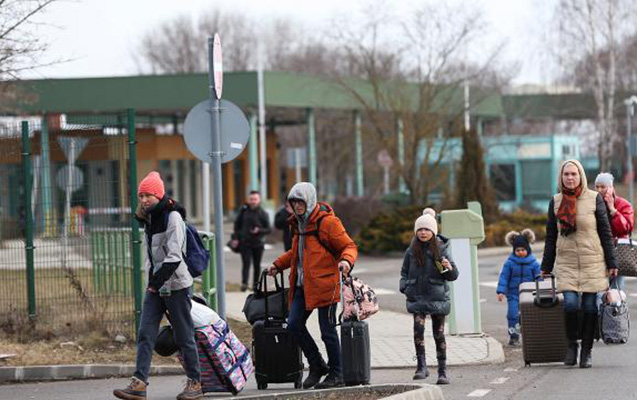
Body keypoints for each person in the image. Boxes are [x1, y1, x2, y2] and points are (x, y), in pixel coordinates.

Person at [113, 171, 202, 400]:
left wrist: (154, 283)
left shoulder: (172, 217)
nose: (143, 200)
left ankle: (195, 383)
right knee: (145, 333)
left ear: (159, 195)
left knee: (183, 336)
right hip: (156, 285)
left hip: (177, 284)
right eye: (141, 195)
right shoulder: (149, 219)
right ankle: (139, 383)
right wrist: (152, 283)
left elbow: (174, 256)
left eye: (148, 195)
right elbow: (152, 256)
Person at [266, 182, 358, 389]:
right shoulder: (298, 224)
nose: (297, 206)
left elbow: (349, 246)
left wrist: (346, 261)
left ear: (310, 201)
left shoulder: (327, 223)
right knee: (294, 325)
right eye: (293, 202)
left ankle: (337, 374)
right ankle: (317, 365)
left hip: (326, 285)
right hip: (302, 285)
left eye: (300, 201)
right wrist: (278, 265)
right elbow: (297, 253)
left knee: (327, 331)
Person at [541, 160, 618, 369]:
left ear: (581, 176)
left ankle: (586, 350)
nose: (570, 177)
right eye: (566, 174)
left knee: (591, 307)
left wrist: (612, 262)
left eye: (574, 174)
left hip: (592, 260)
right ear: (561, 177)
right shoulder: (556, 202)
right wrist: (545, 266)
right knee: (571, 304)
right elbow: (550, 236)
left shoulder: (595, 200)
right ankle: (572, 345)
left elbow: (605, 232)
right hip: (566, 262)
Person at [399, 208, 458, 385]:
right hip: (417, 297)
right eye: (420, 229)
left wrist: (447, 267)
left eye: (427, 229)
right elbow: (404, 272)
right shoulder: (411, 250)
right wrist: (405, 286)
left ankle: (442, 371)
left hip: (437, 298)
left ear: (433, 231)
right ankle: (421, 367)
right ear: (416, 231)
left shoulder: (440, 250)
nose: (423, 232)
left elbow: (451, 276)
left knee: (438, 334)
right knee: (418, 332)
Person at [496, 229, 541, 346]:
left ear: (528, 249)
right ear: (514, 250)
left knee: (529, 315)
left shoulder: (534, 264)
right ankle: (514, 336)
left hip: (529, 295)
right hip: (513, 294)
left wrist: (541, 288)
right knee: (512, 314)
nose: (520, 252)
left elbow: (539, 278)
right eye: (517, 250)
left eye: (523, 250)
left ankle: (531, 335)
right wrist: (501, 291)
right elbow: (504, 277)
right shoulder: (509, 263)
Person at [595, 172, 634, 289]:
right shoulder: (593, 204)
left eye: (603, 187)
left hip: (617, 253)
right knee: (598, 291)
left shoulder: (623, 204)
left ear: (611, 188)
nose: (599, 190)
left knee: (616, 291)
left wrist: (613, 210)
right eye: (597, 187)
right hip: (597, 253)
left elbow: (626, 228)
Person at [231, 191, 271, 292]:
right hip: (245, 243)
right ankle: (244, 284)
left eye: (255, 199)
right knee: (246, 264)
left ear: (259, 200)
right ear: (248, 200)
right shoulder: (243, 212)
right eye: (251, 199)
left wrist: (259, 230)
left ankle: (255, 285)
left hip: (258, 243)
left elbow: (268, 229)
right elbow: (237, 226)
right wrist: (235, 238)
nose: (253, 201)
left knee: (257, 265)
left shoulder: (263, 213)